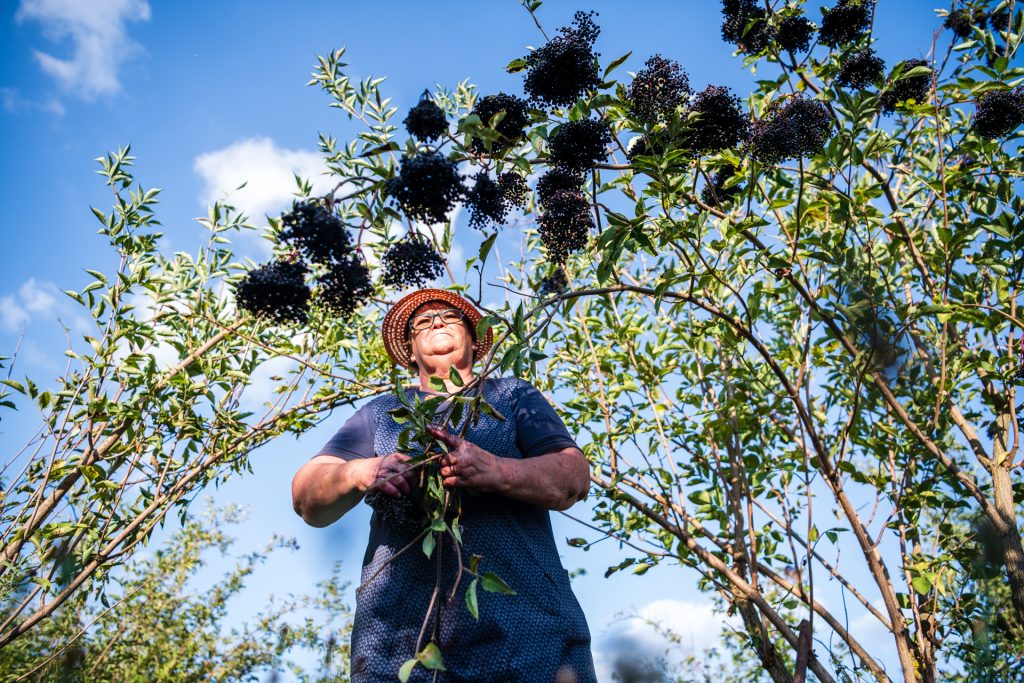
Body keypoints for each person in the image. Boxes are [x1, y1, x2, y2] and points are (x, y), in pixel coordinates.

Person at [291, 288, 596, 682]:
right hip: (400, 641)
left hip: (532, 633)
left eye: (450, 317)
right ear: (412, 351)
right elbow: (307, 498)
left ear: (472, 338)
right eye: (423, 321)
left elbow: (573, 477)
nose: (437, 321)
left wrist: (497, 471)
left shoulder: (513, 396)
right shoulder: (381, 414)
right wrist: (365, 471)